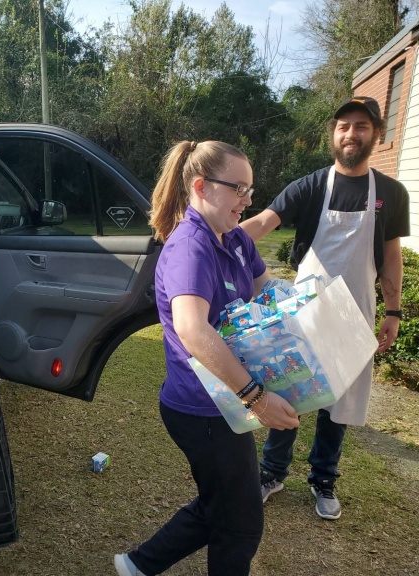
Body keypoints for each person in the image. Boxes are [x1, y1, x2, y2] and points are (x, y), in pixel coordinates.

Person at [114, 141, 300, 576]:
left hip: (225, 401)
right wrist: (257, 398)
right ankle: (139, 564)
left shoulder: (234, 240)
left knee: (225, 506)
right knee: (241, 523)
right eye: (239, 188)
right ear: (201, 186)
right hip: (201, 408)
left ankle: (139, 565)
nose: (248, 200)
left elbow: (265, 295)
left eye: (251, 189)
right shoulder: (189, 247)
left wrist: (304, 310)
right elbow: (193, 329)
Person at [241, 96, 410, 520]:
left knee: (340, 403)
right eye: (343, 126)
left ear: (375, 133)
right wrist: (216, 237)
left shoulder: (391, 193)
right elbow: (263, 222)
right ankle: (271, 473)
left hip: (357, 318)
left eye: (361, 126)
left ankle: (323, 479)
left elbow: (391, 257)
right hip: (307, 315)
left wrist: (393, 312)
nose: (351, 133)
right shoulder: (311, 185)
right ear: (333, 134)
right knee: (292, 395)